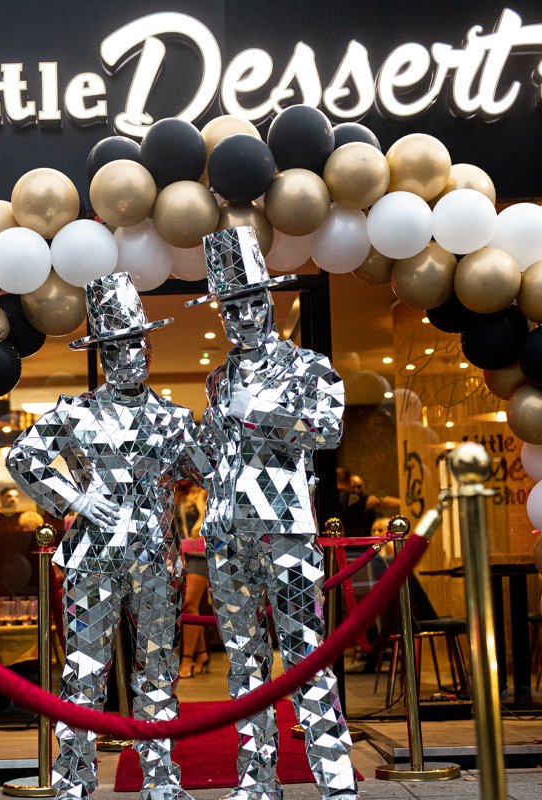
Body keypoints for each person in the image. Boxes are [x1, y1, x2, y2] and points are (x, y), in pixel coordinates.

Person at [6, 272, 210, 800]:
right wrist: (73, 499)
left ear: (149, 346)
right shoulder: (76, 412)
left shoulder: (172, 419)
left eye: (138, 343)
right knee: (84, 671)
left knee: (159, 672)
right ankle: (74, 780)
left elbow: (216, 471)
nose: (130, 355)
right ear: (103, 352)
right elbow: (20, 456)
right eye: (118, 346)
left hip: (158, 562)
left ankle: (162, 780)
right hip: (93, 557)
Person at [189, 226, 359, 800]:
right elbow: (216, 453)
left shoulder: (309, 366)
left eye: (251, 302)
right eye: (230, 306)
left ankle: (336, 781)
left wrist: (260, 414)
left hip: (286, 529)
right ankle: (256, 781)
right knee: (243, 663)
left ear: (268, 300)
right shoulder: (218, 378)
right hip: (225, 533)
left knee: (305, 655)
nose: (241, 316)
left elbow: (329, 430)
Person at [174, 479, 210, 679]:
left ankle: (188, 658)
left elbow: (203, 529)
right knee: (187, 607)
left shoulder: (203, 491)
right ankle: (201, 653)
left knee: (192, 607)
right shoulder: (175, 491)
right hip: (180, 555)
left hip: (199, 556)